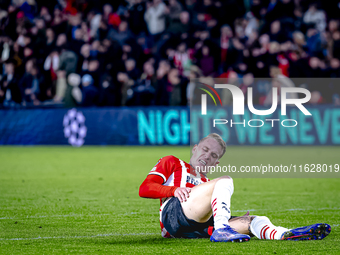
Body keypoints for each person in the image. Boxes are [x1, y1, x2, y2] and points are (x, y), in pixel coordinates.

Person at [139, 133, 331, 242]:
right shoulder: (173, 162)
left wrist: (223, 217)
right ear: (195, 148)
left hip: (193, 229)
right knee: (226, 180)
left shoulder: (208, 185)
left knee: (253, 220)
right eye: (205, 149)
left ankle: (286, 233)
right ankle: (222, 229)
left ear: (216, 163)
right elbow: (145, 188)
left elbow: (205, 213)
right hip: (174, 215)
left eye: (214, 155)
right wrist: (172, 190)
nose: (207, 156)